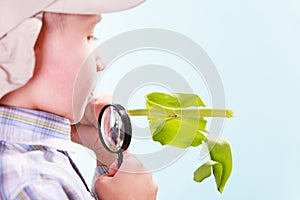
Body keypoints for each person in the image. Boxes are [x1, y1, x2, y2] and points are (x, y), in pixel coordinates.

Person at [0, 0, 158, 199]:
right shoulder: (27, 182)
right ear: (22, 43)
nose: (101, 63)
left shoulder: (34, 164)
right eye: (89, 36)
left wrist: (108, 157)